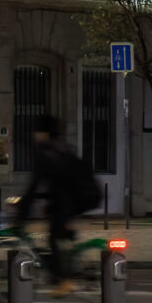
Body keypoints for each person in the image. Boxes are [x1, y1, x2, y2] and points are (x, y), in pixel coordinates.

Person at [19, 118, 94, 286]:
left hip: (69, 201)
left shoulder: (45, 153)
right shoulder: (58, 149)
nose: (35, 135)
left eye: (37, 132)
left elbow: (34, 186)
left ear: (44, 133)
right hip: (74, 199)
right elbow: (54, 182)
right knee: (59, 232)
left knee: (53, 237)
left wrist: (21, 212)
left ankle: (64, 281)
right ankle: (65, 265)